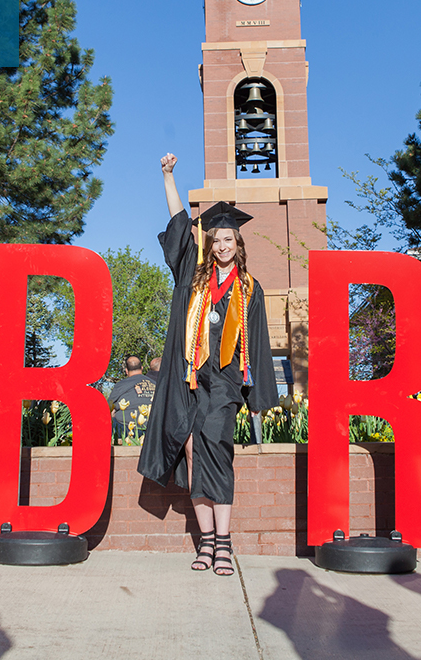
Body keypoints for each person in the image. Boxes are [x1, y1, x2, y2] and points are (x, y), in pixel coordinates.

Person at [137, 153, 277, 577]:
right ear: (209, 243)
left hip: (225, 384)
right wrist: (168, 176)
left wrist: (257, 399)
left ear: (239, 245)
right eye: (216, 239)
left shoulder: (251, 290)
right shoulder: (191, 277)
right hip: (189, 380)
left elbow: (260, 345)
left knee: (218, 450)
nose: (221, 246)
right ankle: (207, 543)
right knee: (193, 454)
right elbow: (179, 220)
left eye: (228, 240)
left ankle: (224, 542)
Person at [107, 356, 156, 439]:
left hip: (126, 428)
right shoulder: (154, 383)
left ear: (126, 371)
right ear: (142, 368)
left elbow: (108, 408)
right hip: (153, 429)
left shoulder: (121, 385)